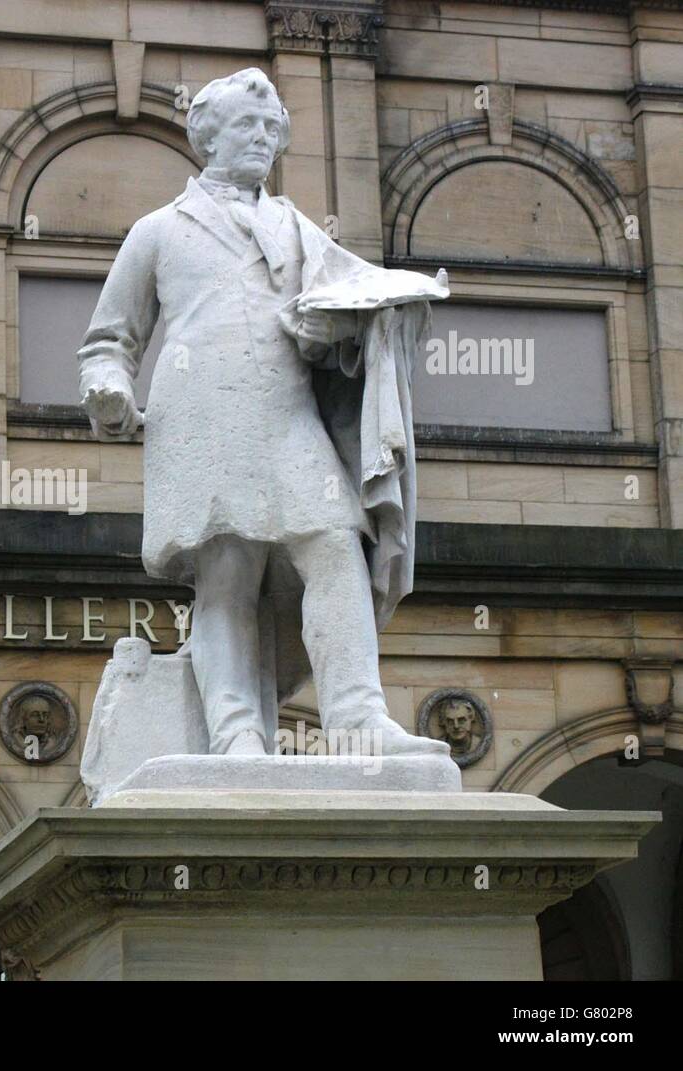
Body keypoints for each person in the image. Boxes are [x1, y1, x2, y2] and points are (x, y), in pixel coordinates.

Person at [79, 67, 448, 758]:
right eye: (248, 127)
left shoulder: (298, 228)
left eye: (272, 130)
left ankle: (357, 717)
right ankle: (237, 732)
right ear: (206, 135)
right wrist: (109, 390)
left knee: (336, 545)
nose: (263, 140)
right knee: (227, 573)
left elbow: (351, 301)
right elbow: (109, 338)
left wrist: (360, 323)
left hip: (287, 416)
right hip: (200, 420)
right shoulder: (158, 231)